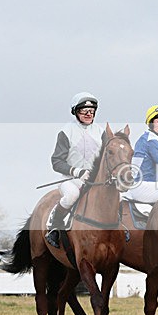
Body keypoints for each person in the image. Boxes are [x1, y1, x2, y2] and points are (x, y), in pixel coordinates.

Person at [46, 92, 106, 248]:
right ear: (75, 112)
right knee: (72, 195)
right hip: (70, 179)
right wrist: (77, 171)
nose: (88, 114)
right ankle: (54, 226)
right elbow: (56, 161)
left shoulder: (101, 132)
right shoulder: (66, 132)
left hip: (95, 181)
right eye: (84, 111)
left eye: (91, 111)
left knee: (116, 196)